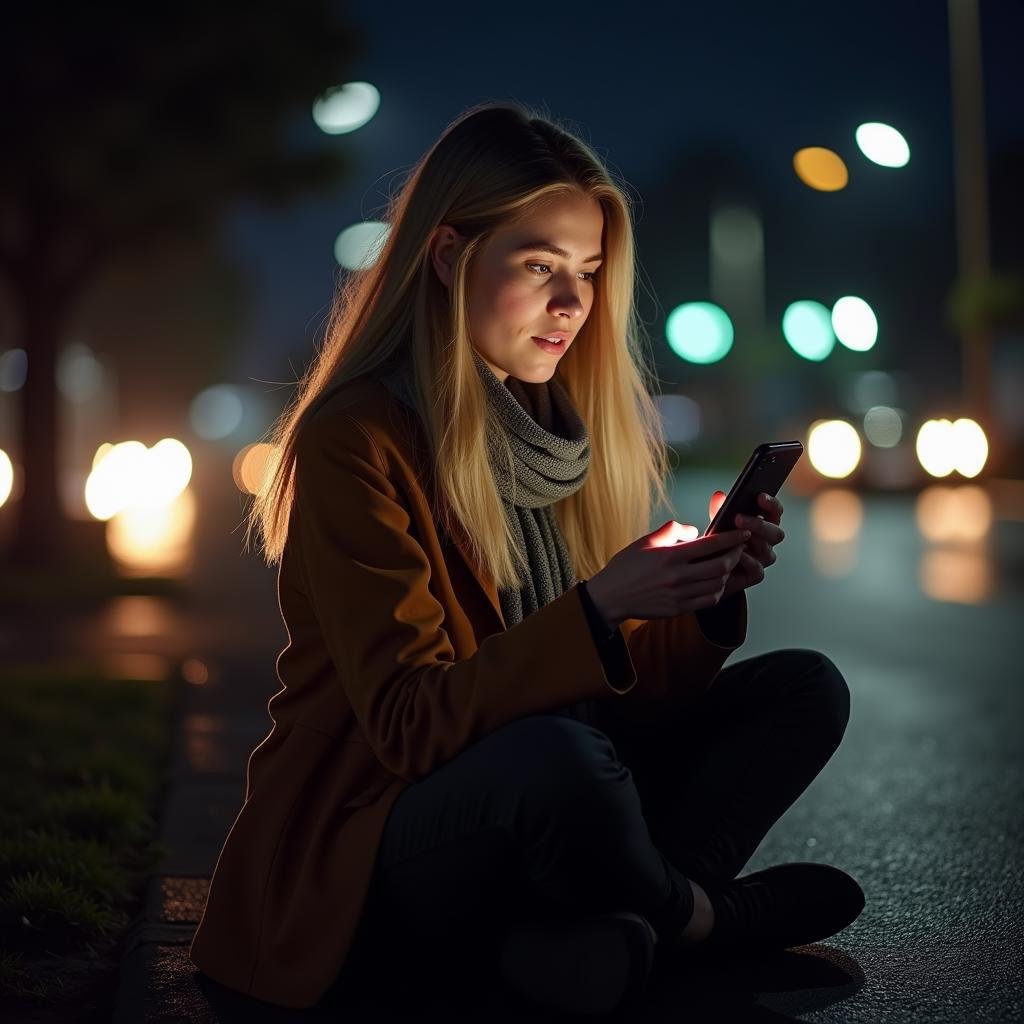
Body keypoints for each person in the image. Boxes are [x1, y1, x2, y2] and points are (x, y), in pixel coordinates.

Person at [187, 101, 864, 1016]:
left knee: (804, 688)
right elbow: (410, 725)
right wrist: (594, 610)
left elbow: (623, 701)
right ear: (448, 257)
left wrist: (699, 598)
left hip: (551, 799)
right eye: (541, 266)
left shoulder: (565, 438)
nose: (573, 303)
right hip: (384, 831)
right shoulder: (360, 439)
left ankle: (596, 936)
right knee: (560, 760)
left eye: (587, 272)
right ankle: (694, 919)